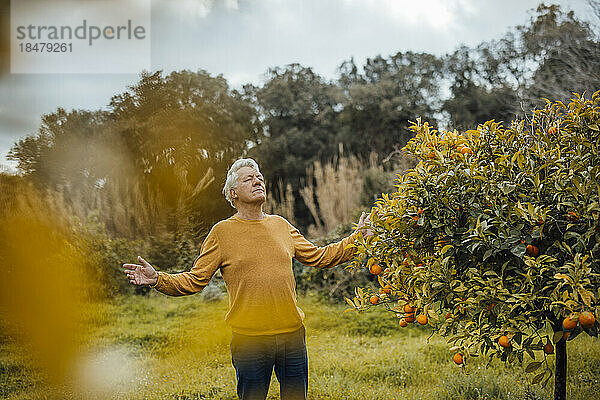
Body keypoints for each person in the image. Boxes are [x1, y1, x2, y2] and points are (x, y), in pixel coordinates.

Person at [123, 158, 372, 400]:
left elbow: (320, 257)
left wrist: (358, 238)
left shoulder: (281, 225)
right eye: (248, 179)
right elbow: (195, 280)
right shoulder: (222, 232)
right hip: (250, 341)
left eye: (260, 178)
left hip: (292, 337)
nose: (257, 182)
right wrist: (158, 279)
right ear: (233, 193)